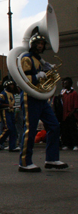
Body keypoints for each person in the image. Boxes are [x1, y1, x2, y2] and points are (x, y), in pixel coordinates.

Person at [18, 32, 68, 172]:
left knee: (54, 126)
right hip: (30, 96)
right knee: (31, 129)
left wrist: (47, 71)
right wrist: (37, 76)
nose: (40, 46)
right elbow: (25, 79)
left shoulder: (39, 60)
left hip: (40, 97)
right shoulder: (27, 58)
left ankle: (52, 159)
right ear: (32, 45)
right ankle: (25, 162)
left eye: (42, 44)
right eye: (38, 44)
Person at [0, 80, 20, 152]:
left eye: (12, 85)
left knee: (13, 130)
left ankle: (12, 146)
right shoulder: (3, 94)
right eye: (10, 85)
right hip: (5, 112)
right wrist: (8, 105)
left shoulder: (12, 94)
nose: (12, 87)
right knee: (9, 128)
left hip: (11, 112)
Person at [60, 77, 78, 150]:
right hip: (65, 115)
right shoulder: (64, 94)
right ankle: (67, 144)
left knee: (73, 130)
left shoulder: (74, 93)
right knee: (65, 130)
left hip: (71, 115)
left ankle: (75, 144)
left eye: (66, 83)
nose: (64, 85)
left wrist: (71, 113)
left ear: (70, 84)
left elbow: (76, 106)